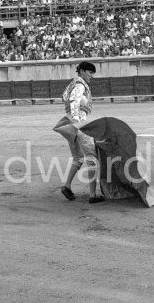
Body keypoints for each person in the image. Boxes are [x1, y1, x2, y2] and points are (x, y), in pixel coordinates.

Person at [53, 61, 105, 204]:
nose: (92, 76)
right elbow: (73, 100)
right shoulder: (80, 84)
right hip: (79, 123)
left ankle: (67, 187)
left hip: (69, 123)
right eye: (90, 72)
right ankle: (93, 195)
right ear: (82, 71)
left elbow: (64, 96)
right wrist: (77, 122)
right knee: (91, 157)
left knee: (78, 158)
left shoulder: (72, 84)